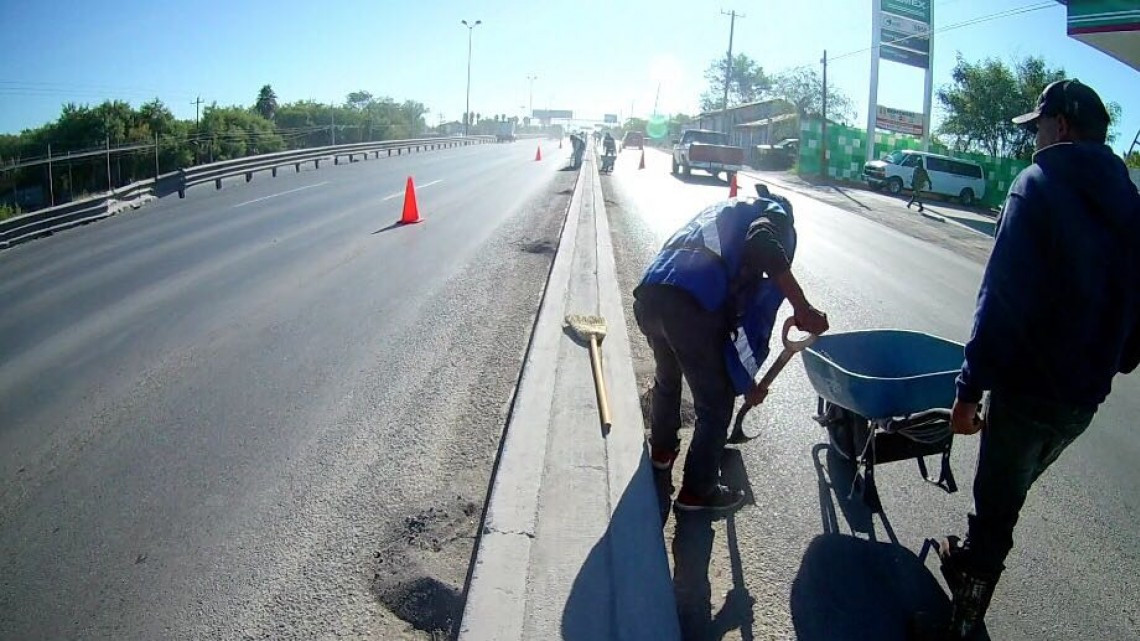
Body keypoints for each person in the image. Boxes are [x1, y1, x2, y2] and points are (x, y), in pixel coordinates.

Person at [928, 79, 1140, 639]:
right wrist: (1118, 358)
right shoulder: (1132, 202)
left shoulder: (1037, 184)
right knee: (1008, 493)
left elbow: (1001, 299)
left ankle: (962, 621)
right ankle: (969, 563)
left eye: (1038, 127)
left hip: (1026, 391)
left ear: (1061, 125)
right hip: (1082, 402)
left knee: (996, 513)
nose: (1033, 140)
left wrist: (968, 391)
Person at [634, 185, 830, 512]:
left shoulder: (725, 212)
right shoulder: (774, 215)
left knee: (667, 379)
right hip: (689, 305)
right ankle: (697, 492)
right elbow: (744, 314)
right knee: (715, 404)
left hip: (650, 296)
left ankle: (662, 452)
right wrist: (803, 307)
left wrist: (747, 382)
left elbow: (727, 326)